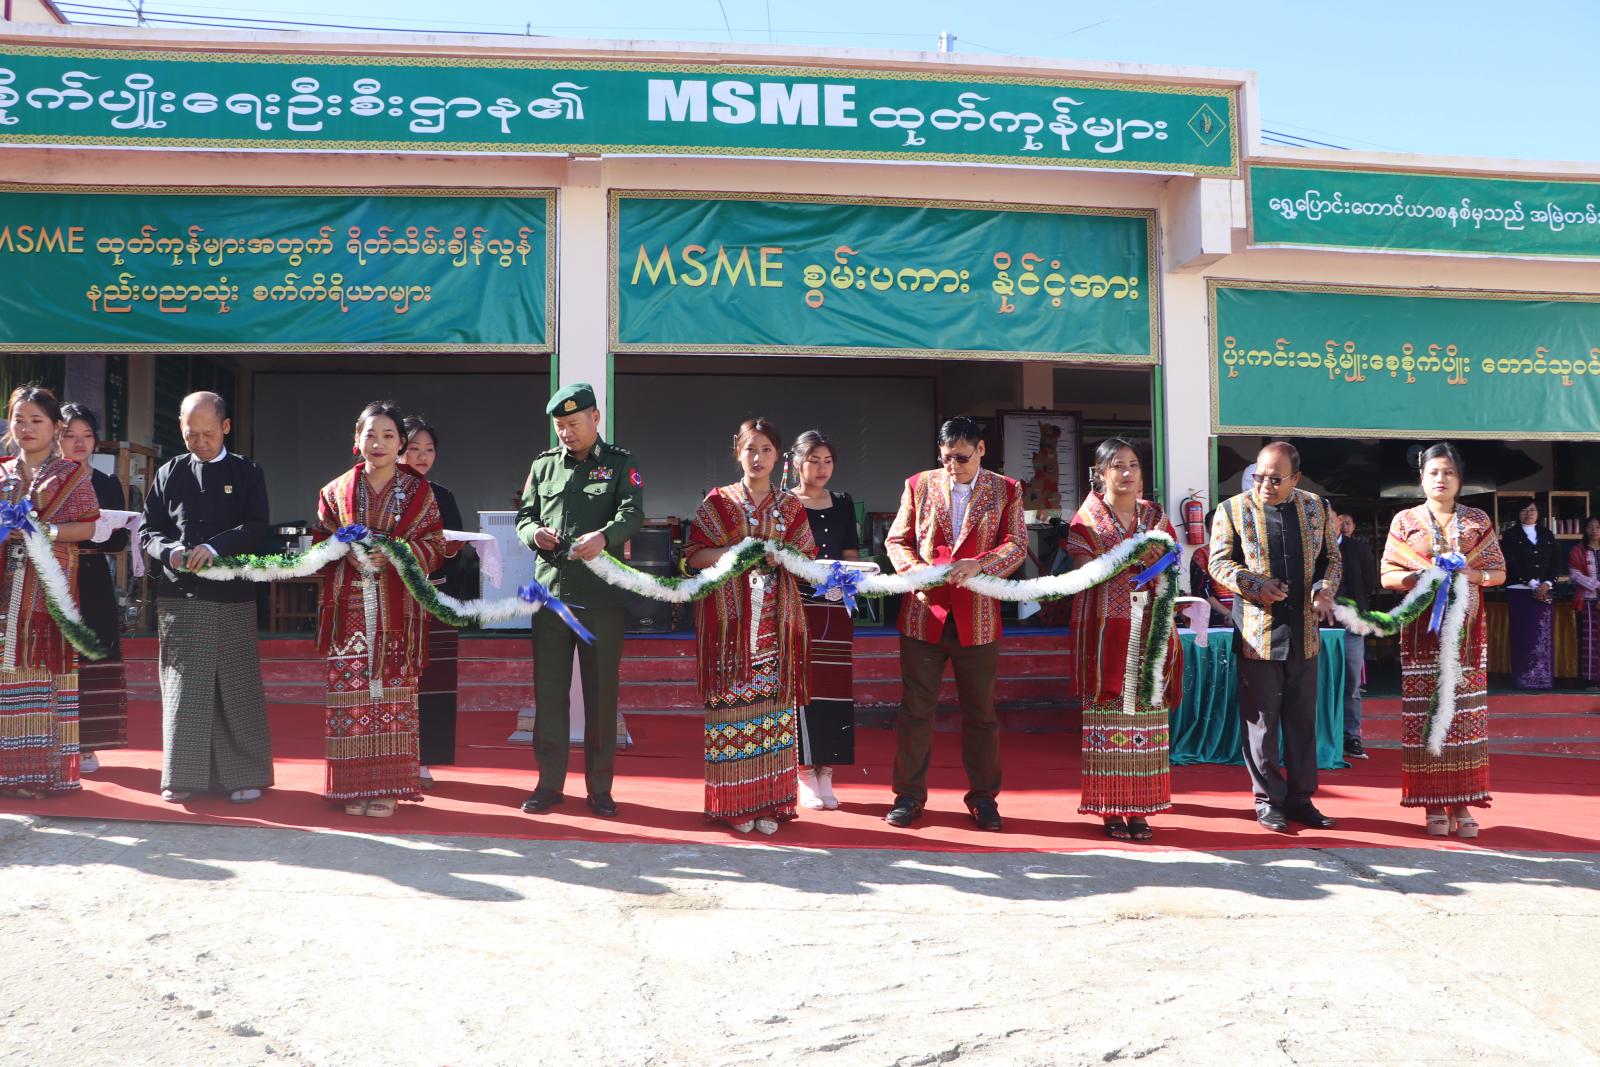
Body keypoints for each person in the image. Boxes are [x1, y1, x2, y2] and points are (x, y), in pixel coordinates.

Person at [883, 416, 1026, 832]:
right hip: (924, 613)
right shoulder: (918, 484)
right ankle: (908, 796)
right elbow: (897, 540)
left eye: (962, 458)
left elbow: (1017, 544)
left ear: (981, 450)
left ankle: (984, 799)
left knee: (981, 714)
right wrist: (917, 572)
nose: (953, 466)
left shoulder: (1007, 489)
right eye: (946, 458)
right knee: (915, 711)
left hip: (977, 616)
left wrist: (980, 564)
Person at [515, 383, 643, 819]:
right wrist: (534, 534)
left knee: (601, 696)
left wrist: (605, 537)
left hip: (600, 599)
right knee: (549, 694)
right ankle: (549, 784)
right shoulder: (543, 465)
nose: (566, 433)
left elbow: (632, 512)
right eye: (560, 426)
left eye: (573, 423)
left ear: (595, 418)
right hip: (551, 597)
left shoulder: (620, 463)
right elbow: (525, 515)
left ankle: (600, 788)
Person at [313, 401, 445, 818]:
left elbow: (436, 546)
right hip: (348, 612)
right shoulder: (334, 492)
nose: (379, 443)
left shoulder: (419, 493)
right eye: (370, 434)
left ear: (400, 443)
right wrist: (344, 551)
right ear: (357, 439)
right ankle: (352, 787)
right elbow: (319, 546)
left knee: (392, 700)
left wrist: (396, 552)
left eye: (389, 436)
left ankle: (388, 787)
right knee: (350, 699)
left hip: (397, 613)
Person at [684, 418, 816, 835]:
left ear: (779, 457)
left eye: (766, 450)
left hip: (776, 627)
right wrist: (735, 552)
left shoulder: (790, 506)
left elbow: (808, 561)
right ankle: (734, 806)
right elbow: (693, 556)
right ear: (737, 452)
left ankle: (771, 805)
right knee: (731, 715)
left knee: (773, 719)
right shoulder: (718, 502)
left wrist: (783, 556)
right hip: (730, 627)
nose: (757, 458)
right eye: (750, 449)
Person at [141, 391, 273, 805]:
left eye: (208, 434)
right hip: (180, 593)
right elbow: (148, 530)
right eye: (191, 434)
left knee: (236, 684)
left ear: (226, 427)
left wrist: (216, 548)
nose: (199, 442)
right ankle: (183, 776)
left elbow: (256, 527)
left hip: (232, 591)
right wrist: (169, 551)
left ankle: (243, 776)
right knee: (185, 688)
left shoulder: (247, 472)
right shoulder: (169, 472)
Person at [1208, 441, 1342, 833]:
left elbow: (1332, 559)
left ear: (1295, 478)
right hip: (1257, 633)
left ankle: (1301, 799)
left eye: (1275, 479)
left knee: (1302, 721)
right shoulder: (1232, 509)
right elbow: (1218, 562)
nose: (1265, 485)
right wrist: (1255, 584)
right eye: (1259, 476)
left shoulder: (1318, 507)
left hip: (1305, 632)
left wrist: (1324, 590)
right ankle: (1268, 801)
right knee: (1262, 724)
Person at [1379, 442, 1505, 838]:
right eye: (1433, 472)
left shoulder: (1478, 520)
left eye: (1449, 472)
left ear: (1460, 479)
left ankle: (1462, 802)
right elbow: (1387, 575)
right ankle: (1432, 803)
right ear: (1421, 478)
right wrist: (1417, 578)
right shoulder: (1405, 521)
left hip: (1467, 638)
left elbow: (1499, 571)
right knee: (1427, 717)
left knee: (1464, 717)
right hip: (1421, 637)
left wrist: (1473, 575)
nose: (1441, 479)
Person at [1067, 438, 1183, 841]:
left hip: (1150, 630)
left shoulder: (1154, 515)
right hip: (1106, 633)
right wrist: (1131, 560)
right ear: (1101, 474)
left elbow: (1172, 559)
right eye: (1118, 465)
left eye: (1134, 464)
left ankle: (1141, 809)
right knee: (1109, 717)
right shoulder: (1086, 520)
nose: (1128, 473)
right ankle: (1110, 809)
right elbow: (1083, 571)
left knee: (1147, 720)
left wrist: (1159, 564)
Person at [0, 385, 98, 797]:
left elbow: (88, 527)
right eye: (19, 419)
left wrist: (43, 530)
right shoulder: (2, 472)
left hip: (44, 597)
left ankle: (37, 774)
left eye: (36, 420)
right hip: (4, 594)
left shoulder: (70, 476)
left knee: (39, 679)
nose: (26, 428)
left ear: (56, 427)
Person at [789, 429, 860, 812]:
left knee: (835, 687)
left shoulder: (843, 502)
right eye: (813, 460)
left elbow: (851, 553)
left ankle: (827, 771)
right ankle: (803, 772)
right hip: (798, 605)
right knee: (803, 685)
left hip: (836, 605)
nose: (821, 468)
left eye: (827, 461)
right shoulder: (785, 503)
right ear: (796, 463)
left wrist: (842, 580)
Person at [60, 403, 130, 774]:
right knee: (53, 654)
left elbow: (118, 540)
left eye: (86, 435)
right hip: (53, 572)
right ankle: (50, 738)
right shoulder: (47, 479)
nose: (79, 443)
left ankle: (87, 744)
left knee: (93, 654)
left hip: (92, 574)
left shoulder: (105, 482)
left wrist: (87, 533)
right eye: (70, 435)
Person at [403, 417, 466, 787]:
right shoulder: (384, 493)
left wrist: (453, 550)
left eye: (429, 449)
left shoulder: (443, 495)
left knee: (432, 679)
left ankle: (425, 759)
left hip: (435, 596)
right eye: (414, 448)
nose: (422, 456)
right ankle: (392, 755)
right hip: (393, 596)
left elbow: (455, 554)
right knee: (394, 676)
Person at [1333, 508, 1377, 760]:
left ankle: (1351, 736)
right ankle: (1321, 735)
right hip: (1317, 626)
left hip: (1351, 624)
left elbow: (1370, 582)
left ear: (1339, 521)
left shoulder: (1358, 549)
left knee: (1351, 682)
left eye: (1331, 519)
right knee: (1317, 683)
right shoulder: (1311, 548)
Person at [1502, 500, 1559, 691]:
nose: (1528, 513)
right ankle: (1523, 680)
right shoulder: (1510, 536)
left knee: (1543, 635)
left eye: (1532, 510)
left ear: (1538, 513)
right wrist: (1533, 583)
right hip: (1519, 590)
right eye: (1524, 510)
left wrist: (1547, 583)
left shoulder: (1547, 534)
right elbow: (1511, 563)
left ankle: (1543, 680)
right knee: (1523, 634)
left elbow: (1555, 562)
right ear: (1518, 513)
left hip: (1544, 591)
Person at [1188, 508, 1234, 628]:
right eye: (1216, 525)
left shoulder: (1244, 555)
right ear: (1208, 529)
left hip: (1244, 618)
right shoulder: (1201, 555)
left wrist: (1240, 616)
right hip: (1214, 619)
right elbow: (1202, 591)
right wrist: (1228, 614)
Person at [1568, 517, 1600, 691]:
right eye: (1590, 527)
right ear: (1585, 529)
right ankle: (1590, 680)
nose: (1594, 530)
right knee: (1590, 642)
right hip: (1588, 601)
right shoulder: (1578, 550)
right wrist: (1597, 585)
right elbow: (1574, 574)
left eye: (1598, 527)